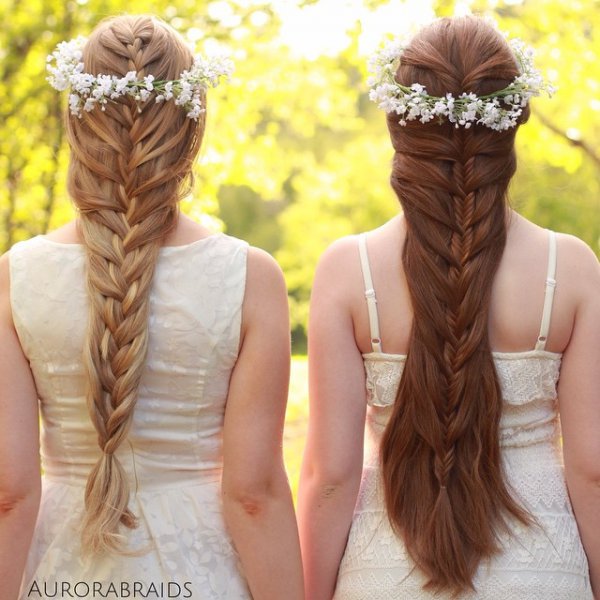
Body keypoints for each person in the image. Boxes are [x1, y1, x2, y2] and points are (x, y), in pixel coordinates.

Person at [0, 15, 303, 600]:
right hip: (200, 572)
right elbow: (253, 493)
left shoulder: (16, 275)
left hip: (62, 571)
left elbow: (10, 491)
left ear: (77, 125)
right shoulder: (249, 276)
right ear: (192, 128)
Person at [299, 15, 599, 600]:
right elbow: (592, 469)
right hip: (542, 576)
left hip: (385, 577)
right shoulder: (573, 266)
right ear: (512, 124)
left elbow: (330, 478)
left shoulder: (347, 268)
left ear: (398, 127)